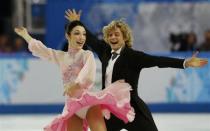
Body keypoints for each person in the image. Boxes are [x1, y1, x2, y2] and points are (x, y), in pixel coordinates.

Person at [65, 9, 208, 131]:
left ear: (124, 37)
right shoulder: (105, 51)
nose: (113, 37)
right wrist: (77, 23)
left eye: (117, 34)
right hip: (109, 110)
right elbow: (90, 39)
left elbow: (158, 61)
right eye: (110, 35)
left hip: (132, 108)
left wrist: (185, 63)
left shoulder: (134, 56)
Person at [14, 21, 135, 131]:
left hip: (89, 103)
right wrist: (26, 35)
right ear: (68, 36)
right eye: (77, 33)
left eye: (84, 34)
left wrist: (75, 84)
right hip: (73, 107)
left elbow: (88, 76)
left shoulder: (87, 55)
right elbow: (42, 50)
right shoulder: (61, 56)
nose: (81, 37)